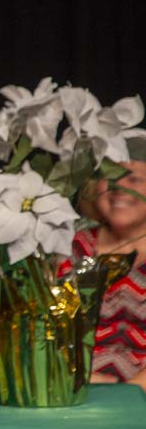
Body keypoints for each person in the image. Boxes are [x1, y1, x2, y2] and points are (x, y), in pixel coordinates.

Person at [75, 160, 146, 388]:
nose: (119, 187)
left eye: (134, 178)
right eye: (111, 176)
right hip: (72, 393)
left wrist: (127, 395)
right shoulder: (68, 249)